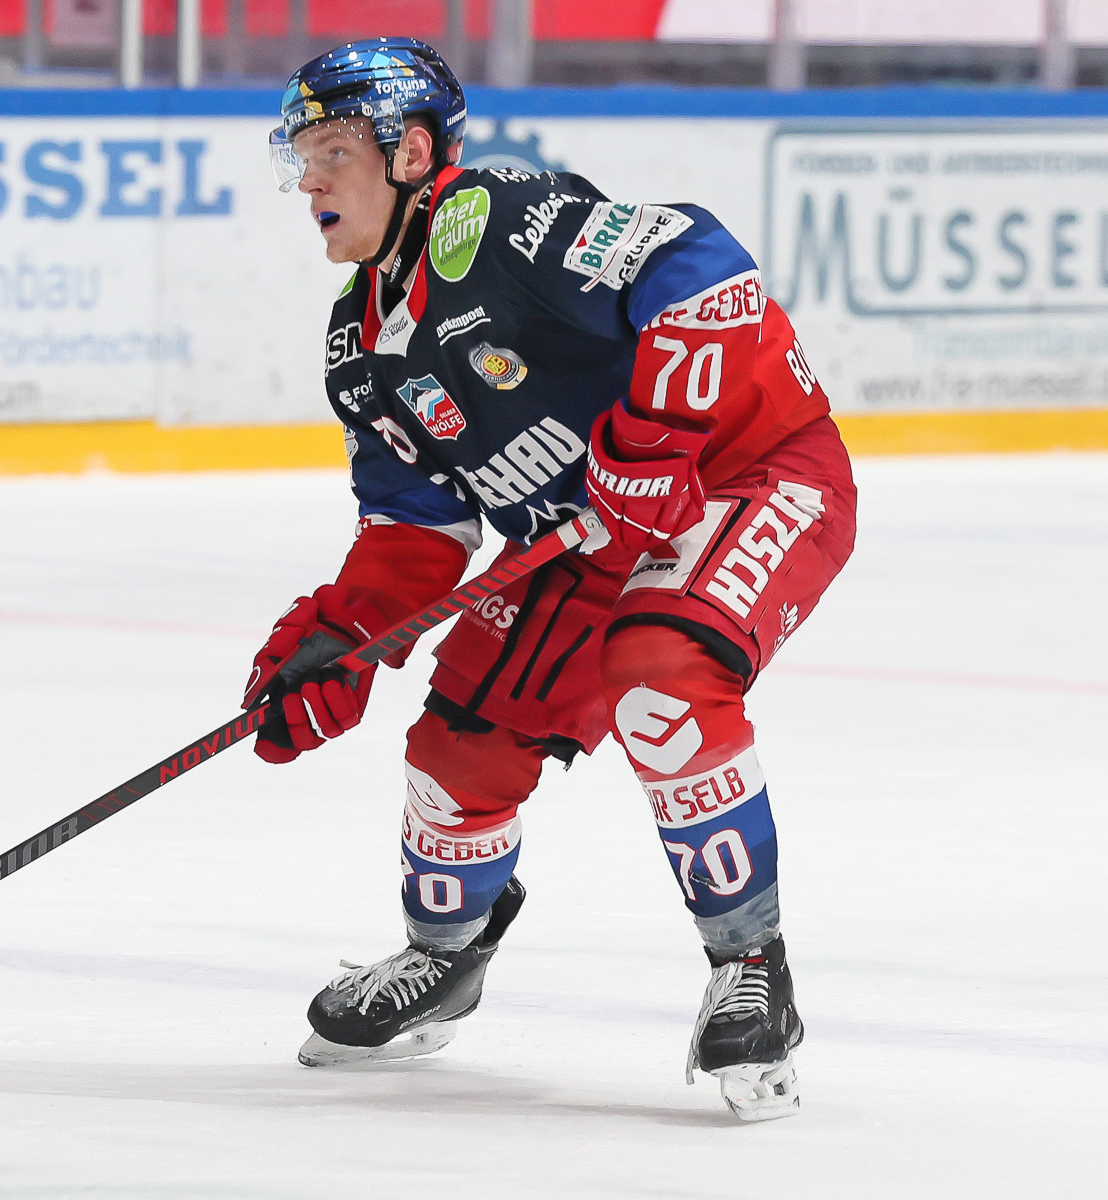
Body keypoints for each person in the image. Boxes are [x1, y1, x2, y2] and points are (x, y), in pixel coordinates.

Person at [244, 38, 857, 1122]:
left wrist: (654, 439)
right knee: (456, 749)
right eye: (303, 157)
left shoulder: (496, 218)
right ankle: (446, 957)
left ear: (411, 151)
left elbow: (703, 264)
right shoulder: (358, 347)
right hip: (586, 536)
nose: (311, 180)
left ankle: (750, 965)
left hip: (746, 470)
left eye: (334, 151)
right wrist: (344, 636)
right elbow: (415, 530)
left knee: (661, 675)